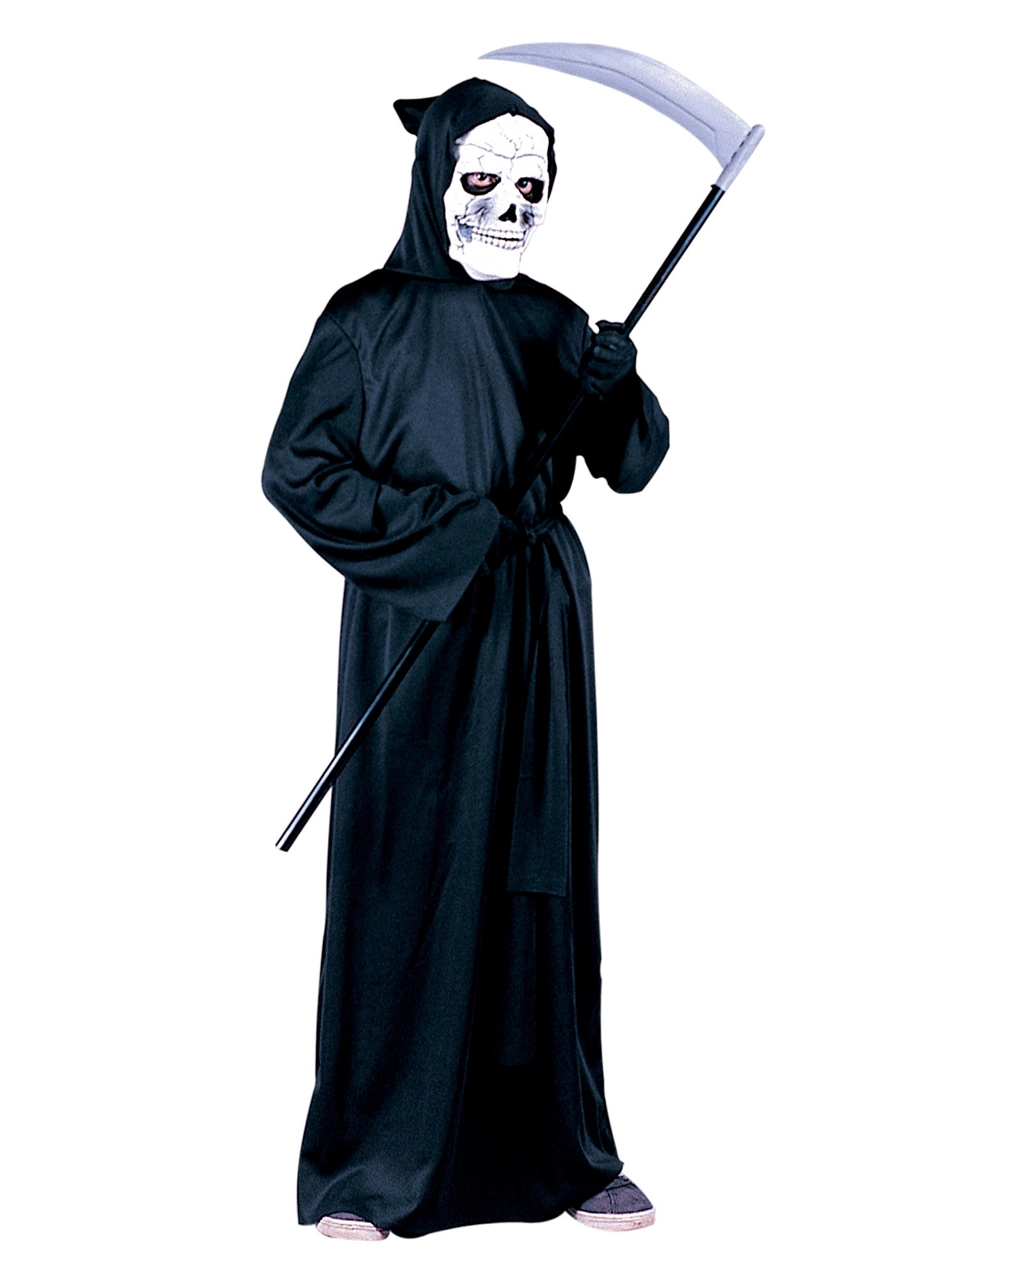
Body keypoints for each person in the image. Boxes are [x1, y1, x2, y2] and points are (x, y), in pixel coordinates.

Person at [262, 77, 669, 1240]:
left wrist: (614, 387)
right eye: (482, 179)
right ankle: (370, 1163)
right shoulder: (363, 318)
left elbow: (631, 462)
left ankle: (563, 1148)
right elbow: (297, 470)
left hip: (534, 627)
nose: (509, 206)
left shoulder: (552, 318)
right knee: (408, 862)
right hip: (423, 621)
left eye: (532, 186)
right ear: (434, 175)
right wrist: (443, 533)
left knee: (538, 874)